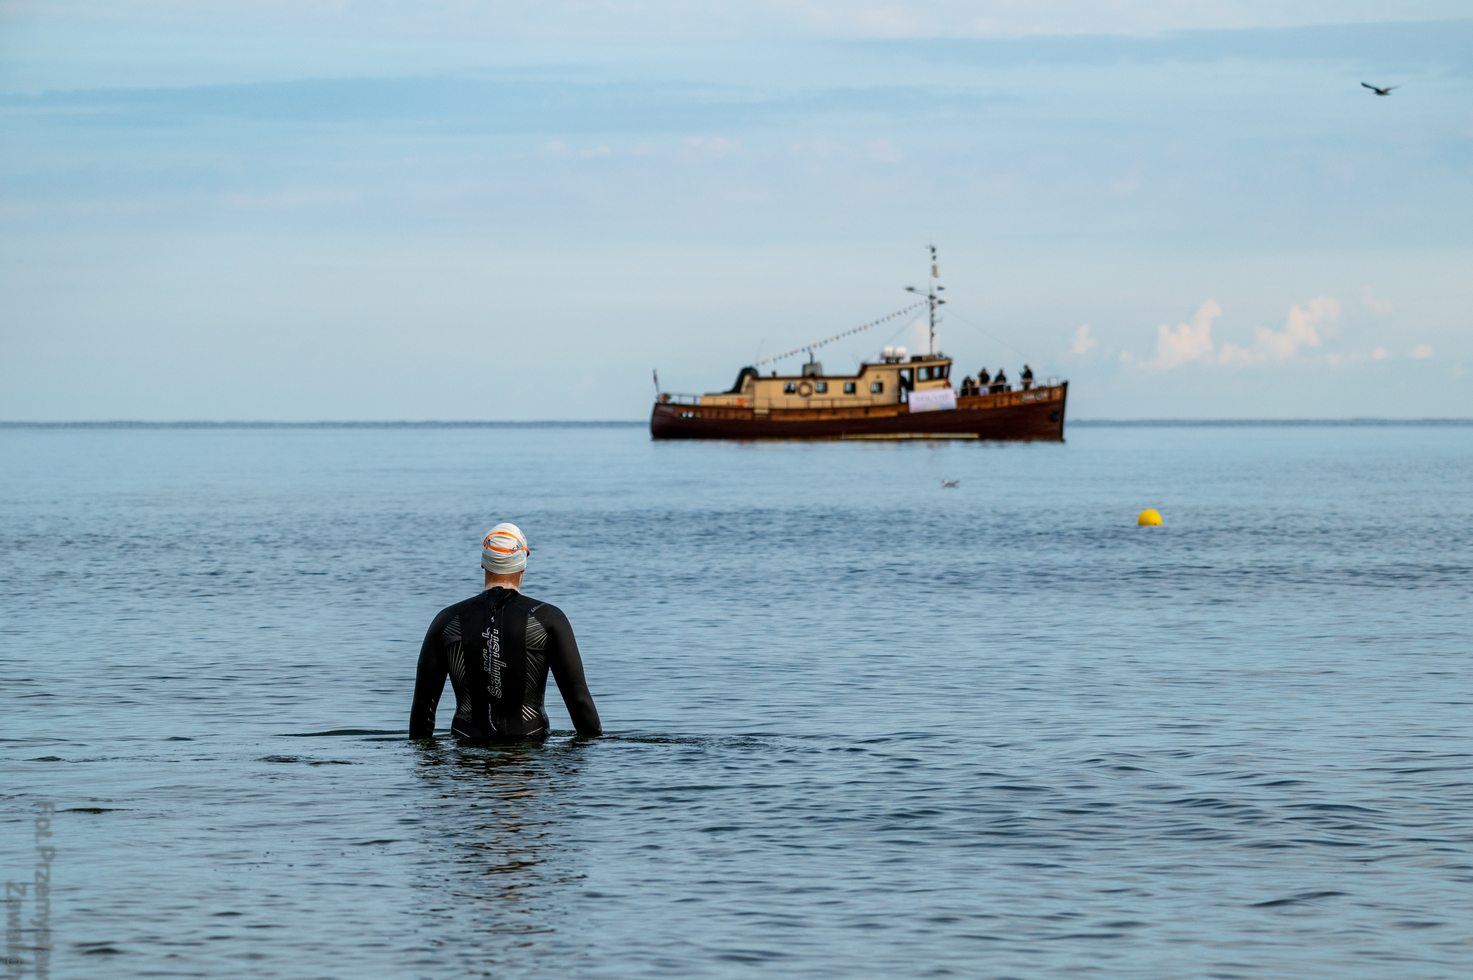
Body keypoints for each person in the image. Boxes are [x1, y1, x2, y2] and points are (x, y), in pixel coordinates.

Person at [409, 522, 602, 741]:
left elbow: (423, 709)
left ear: (484, 564)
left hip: (467, 761)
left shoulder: (447, 620)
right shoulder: (548, 619)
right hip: (529, 756)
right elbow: (579, 701)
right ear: (523, 565)